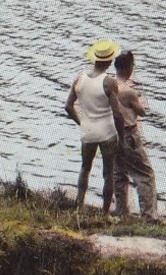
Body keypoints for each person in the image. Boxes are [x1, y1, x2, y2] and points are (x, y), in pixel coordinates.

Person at [65, 39, 124, 219]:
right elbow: (117, 114)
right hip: (107, 133)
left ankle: (79, 206)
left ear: (95, 59)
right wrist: (121, 136)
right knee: (108, 172)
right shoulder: (109, 83)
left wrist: (82, 123)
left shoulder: (80, 78)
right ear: (109, 61)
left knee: (85, 168)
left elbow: (68, 106)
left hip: (88, 132)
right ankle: (105, 213)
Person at [110, 49, 158, 220]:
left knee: (119, 173)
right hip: (129, 136)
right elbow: (142, 112)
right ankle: (149, 215)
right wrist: (142, 101)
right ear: (128, 68)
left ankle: (121, 210)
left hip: (112, 135)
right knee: (145, 174)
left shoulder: (109, 87)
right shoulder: (128, 92)